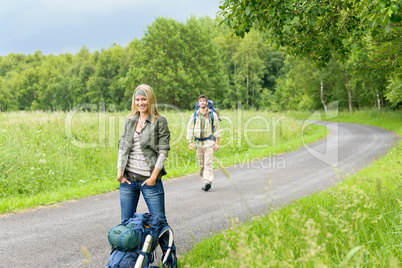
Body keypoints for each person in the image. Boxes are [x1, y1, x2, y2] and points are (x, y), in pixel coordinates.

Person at [117, 84, 175, 266]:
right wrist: (119, 172)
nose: (140, 102)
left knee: (160, 223)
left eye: (144, 99)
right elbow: (122, 147)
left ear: (150, 100)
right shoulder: (129, 121)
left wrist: (153, 177)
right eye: (137, 99)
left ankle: (169, 262)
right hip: (128, 180)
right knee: (126, 225)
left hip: (149, 180)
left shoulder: (159, 121)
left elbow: (163, 151)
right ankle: (129, 262)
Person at [187, 94, 221, 191]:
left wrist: (217, 143)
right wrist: (190, 141)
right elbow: (190, 129)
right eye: (200, 101)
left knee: (208, 163)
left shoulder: (212, 114)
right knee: (201, 165)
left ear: (206, 103)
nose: (202, 102)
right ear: (198, 103)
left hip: (209, 143)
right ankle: (204, 181)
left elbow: (217, 129)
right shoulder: (194, 115)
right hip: (198, 144)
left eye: (204, 101)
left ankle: (208, 181)